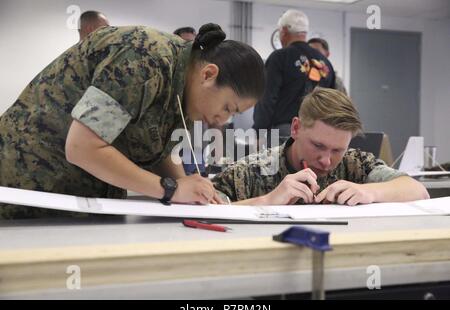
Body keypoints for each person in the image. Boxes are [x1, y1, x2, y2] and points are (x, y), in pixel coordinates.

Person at [0, 23, 265, 218]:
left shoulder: (183, 88)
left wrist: (191, 190)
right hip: (29, 185)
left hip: (83, 196)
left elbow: (153, 147)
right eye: (228, 107)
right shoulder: (142, 60)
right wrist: (171, 189)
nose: (223, 119)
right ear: (208, 74)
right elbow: (82, 147)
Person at [213, 88, 429, 205]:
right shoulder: (251, 171)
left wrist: (369, 192)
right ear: (296, 128)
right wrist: (267, 201)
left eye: (337, 150)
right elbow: (203, 214)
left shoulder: (355, 164)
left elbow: (418, 191)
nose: (326, 161)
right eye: (318, 145)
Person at [253, 9, 335, 143]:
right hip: (316, 135)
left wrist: (259, 132)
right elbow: (332, 103)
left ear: (284, 31)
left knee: (278, 164)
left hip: (284, 132)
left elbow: (267, 98)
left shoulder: (279, 58)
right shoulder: (325, 63)